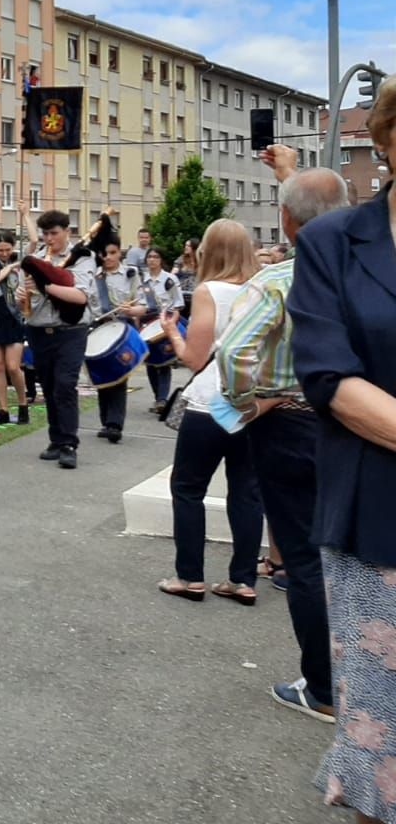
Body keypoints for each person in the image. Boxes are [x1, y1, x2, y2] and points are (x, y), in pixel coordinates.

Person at [288, 75, 396, 820]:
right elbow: (328, 374)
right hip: (374, 517)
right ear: (387, 138)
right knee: (379, 733)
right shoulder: (334, 240)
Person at [215, 148, 348, 725]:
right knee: (355, 554)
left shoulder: (277, 279)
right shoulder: (367, 269)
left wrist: (251, 402)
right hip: (357, 423)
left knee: (304, 558)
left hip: (290, 423)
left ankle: (323, 688)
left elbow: (233, 350)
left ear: (287, 224)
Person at [155, 219, 263, 603]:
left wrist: (171, 333)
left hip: (212, 402)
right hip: (253, 402)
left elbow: (195, 357)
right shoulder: (264, 287)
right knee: (246, 493)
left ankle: (189, 576)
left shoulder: (208, 291)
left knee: (187, 488)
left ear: (209, 251)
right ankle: (243, 579)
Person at [19, 209, 94, 469]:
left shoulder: (81, 257)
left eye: (54, 233)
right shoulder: (36, 259)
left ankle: (69, 443)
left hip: (70, 331)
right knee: (49, 386)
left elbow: (80, 296)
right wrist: (23, 297)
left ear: (67, 232)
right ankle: (55, 439)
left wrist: (44, 285)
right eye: (45, 234)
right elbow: (25, 301)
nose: (49, 239)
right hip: (39, 329)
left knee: (65, 384)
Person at [89, 240, 146, 444]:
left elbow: (143, 306)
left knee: (120, 377)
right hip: (98, 329)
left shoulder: (131, 275)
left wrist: (133, 311)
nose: (108, 257)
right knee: (102, 376)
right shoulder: (92, 275)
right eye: (105, 253)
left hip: (122, 329)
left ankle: (115, 424)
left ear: (119, 253)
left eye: (113, 253)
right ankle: (106, 421)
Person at [0, 234, 28, 424]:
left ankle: (23, 404)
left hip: (13, 319)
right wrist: (9, 267)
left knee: (13, 366)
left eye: (7, 250)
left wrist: (13, 267)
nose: (4, 253)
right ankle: (3, 409)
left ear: (13, 248)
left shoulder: (21, 268)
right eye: (0, 250)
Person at [140, 246, 185, 411]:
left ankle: (162, 400)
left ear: (161, 260)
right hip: (147, 324)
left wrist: (172, 323)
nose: (152, 259)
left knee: (164, 362)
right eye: (149, 256)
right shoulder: (142, 280)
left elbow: (178, 303)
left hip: (165, 323)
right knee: (151, 363)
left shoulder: (169, 279)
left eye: (156, 257)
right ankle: (158, 398)